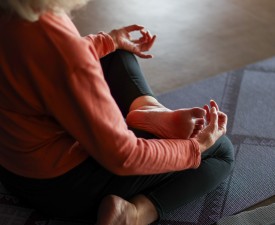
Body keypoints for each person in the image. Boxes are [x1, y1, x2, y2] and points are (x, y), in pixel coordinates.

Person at [0, 1, 234, 224]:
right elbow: (123, 157)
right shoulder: (63, 50)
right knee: (220, 151)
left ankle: (146, 110)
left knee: (114, 51)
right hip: (63, 188)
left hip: (10, 165)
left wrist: (109, 40)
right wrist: (195, 147)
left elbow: (45, 61)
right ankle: (134, 214)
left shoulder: (15, 15)